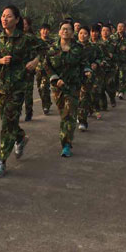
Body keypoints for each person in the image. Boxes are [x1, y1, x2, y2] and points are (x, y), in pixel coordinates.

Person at [0, 6, 45, 178]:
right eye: (3, 16)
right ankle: (20, 137)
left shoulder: (26, 39)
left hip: (18, 87)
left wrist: (35, 61)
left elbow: (46, 48)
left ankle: (1, 161)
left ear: (17, 20)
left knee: (7, 124)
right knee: (7, 120)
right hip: (0, 86)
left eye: (9, 16)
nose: (4, 19)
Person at [45, 21, 91, 157]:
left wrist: (87, 70)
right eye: (63, 29)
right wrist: (54, 78)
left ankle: (66, 144)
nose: (65, 31)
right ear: (59, 32)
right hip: (58, 87)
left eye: (68, 29)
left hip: (73, 86)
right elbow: (46, 66)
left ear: (72, 33)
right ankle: (66, 137)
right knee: (62, 113)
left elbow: (84, 63)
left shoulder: (78, 48)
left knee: (69, 115)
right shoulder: (52, 49)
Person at [77, 25, 103, 131]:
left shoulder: (93, 47)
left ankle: (83, 121)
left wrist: (96, 63)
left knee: (84, 97)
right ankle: (78, 115)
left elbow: (100, 57)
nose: (83, 36)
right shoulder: (73, 47)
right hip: (74, 76)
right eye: (80, 33)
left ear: (88, 35)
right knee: (75, 98)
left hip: (87, 76)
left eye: (85, 33)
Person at [35, 23, 54, 115]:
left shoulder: (52, 42)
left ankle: (45, 105)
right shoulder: (36, 42)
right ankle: (47, 101)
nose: (45, 31)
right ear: (40, 31)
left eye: (47, 29)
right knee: (39, 87)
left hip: (48, 68)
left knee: (44, 87)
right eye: (43, 29)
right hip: (38, 68)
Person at [100, 24, 118, 109]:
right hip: (100, 68)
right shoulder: (98, 42)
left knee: (109, 85)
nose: (105, 32)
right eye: (103, 30)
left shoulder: (114, 43)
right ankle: (103, 105)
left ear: (110, 32)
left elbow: (120, 55)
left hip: (110, 68)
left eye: (107, 30)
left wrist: (113, 56)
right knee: (101, 86)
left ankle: (112, 98)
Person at [22, 16, 37, 121]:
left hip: (29, 68)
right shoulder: (16, 36)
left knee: (28, 92)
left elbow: (41, 51)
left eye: (25, 24)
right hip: (17, 69)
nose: (23, 26)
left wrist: (34, 62)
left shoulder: (32, 38)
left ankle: (29, 111)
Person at [90, 24, 105, 119]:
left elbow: (103, 57)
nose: (94, 34)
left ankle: (96, 110)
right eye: (92, 31)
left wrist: (98, 63)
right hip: (85, 71)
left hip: (98, 72)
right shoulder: (84, 43)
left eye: (96, 31)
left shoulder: (101, 44)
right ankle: (87, 110)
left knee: (95, 91)